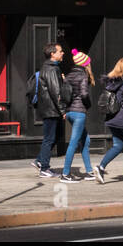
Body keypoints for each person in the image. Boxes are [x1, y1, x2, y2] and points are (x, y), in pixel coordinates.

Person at [60, 50, 101, 183]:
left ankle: (89, 172)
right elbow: (84, 94)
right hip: (79, 113)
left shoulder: (69, 75)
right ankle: (65, 174)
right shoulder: (83, 75)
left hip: (70, 112)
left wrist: (64, 110)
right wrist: (88, 105)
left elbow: (63, 95)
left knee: (85, 140)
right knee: (73, 143)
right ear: (85, 63)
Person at [31, 42, 70, 177]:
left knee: (55, 136)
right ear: (52, 54)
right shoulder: (52, 69)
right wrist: (63, 110)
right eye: (60, 51)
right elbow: (56, 91)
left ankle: (40, 161)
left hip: (50, 108)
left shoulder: (49, 68)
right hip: (51, 109)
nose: (63, 53)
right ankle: (44, 168)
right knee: (49, 138)